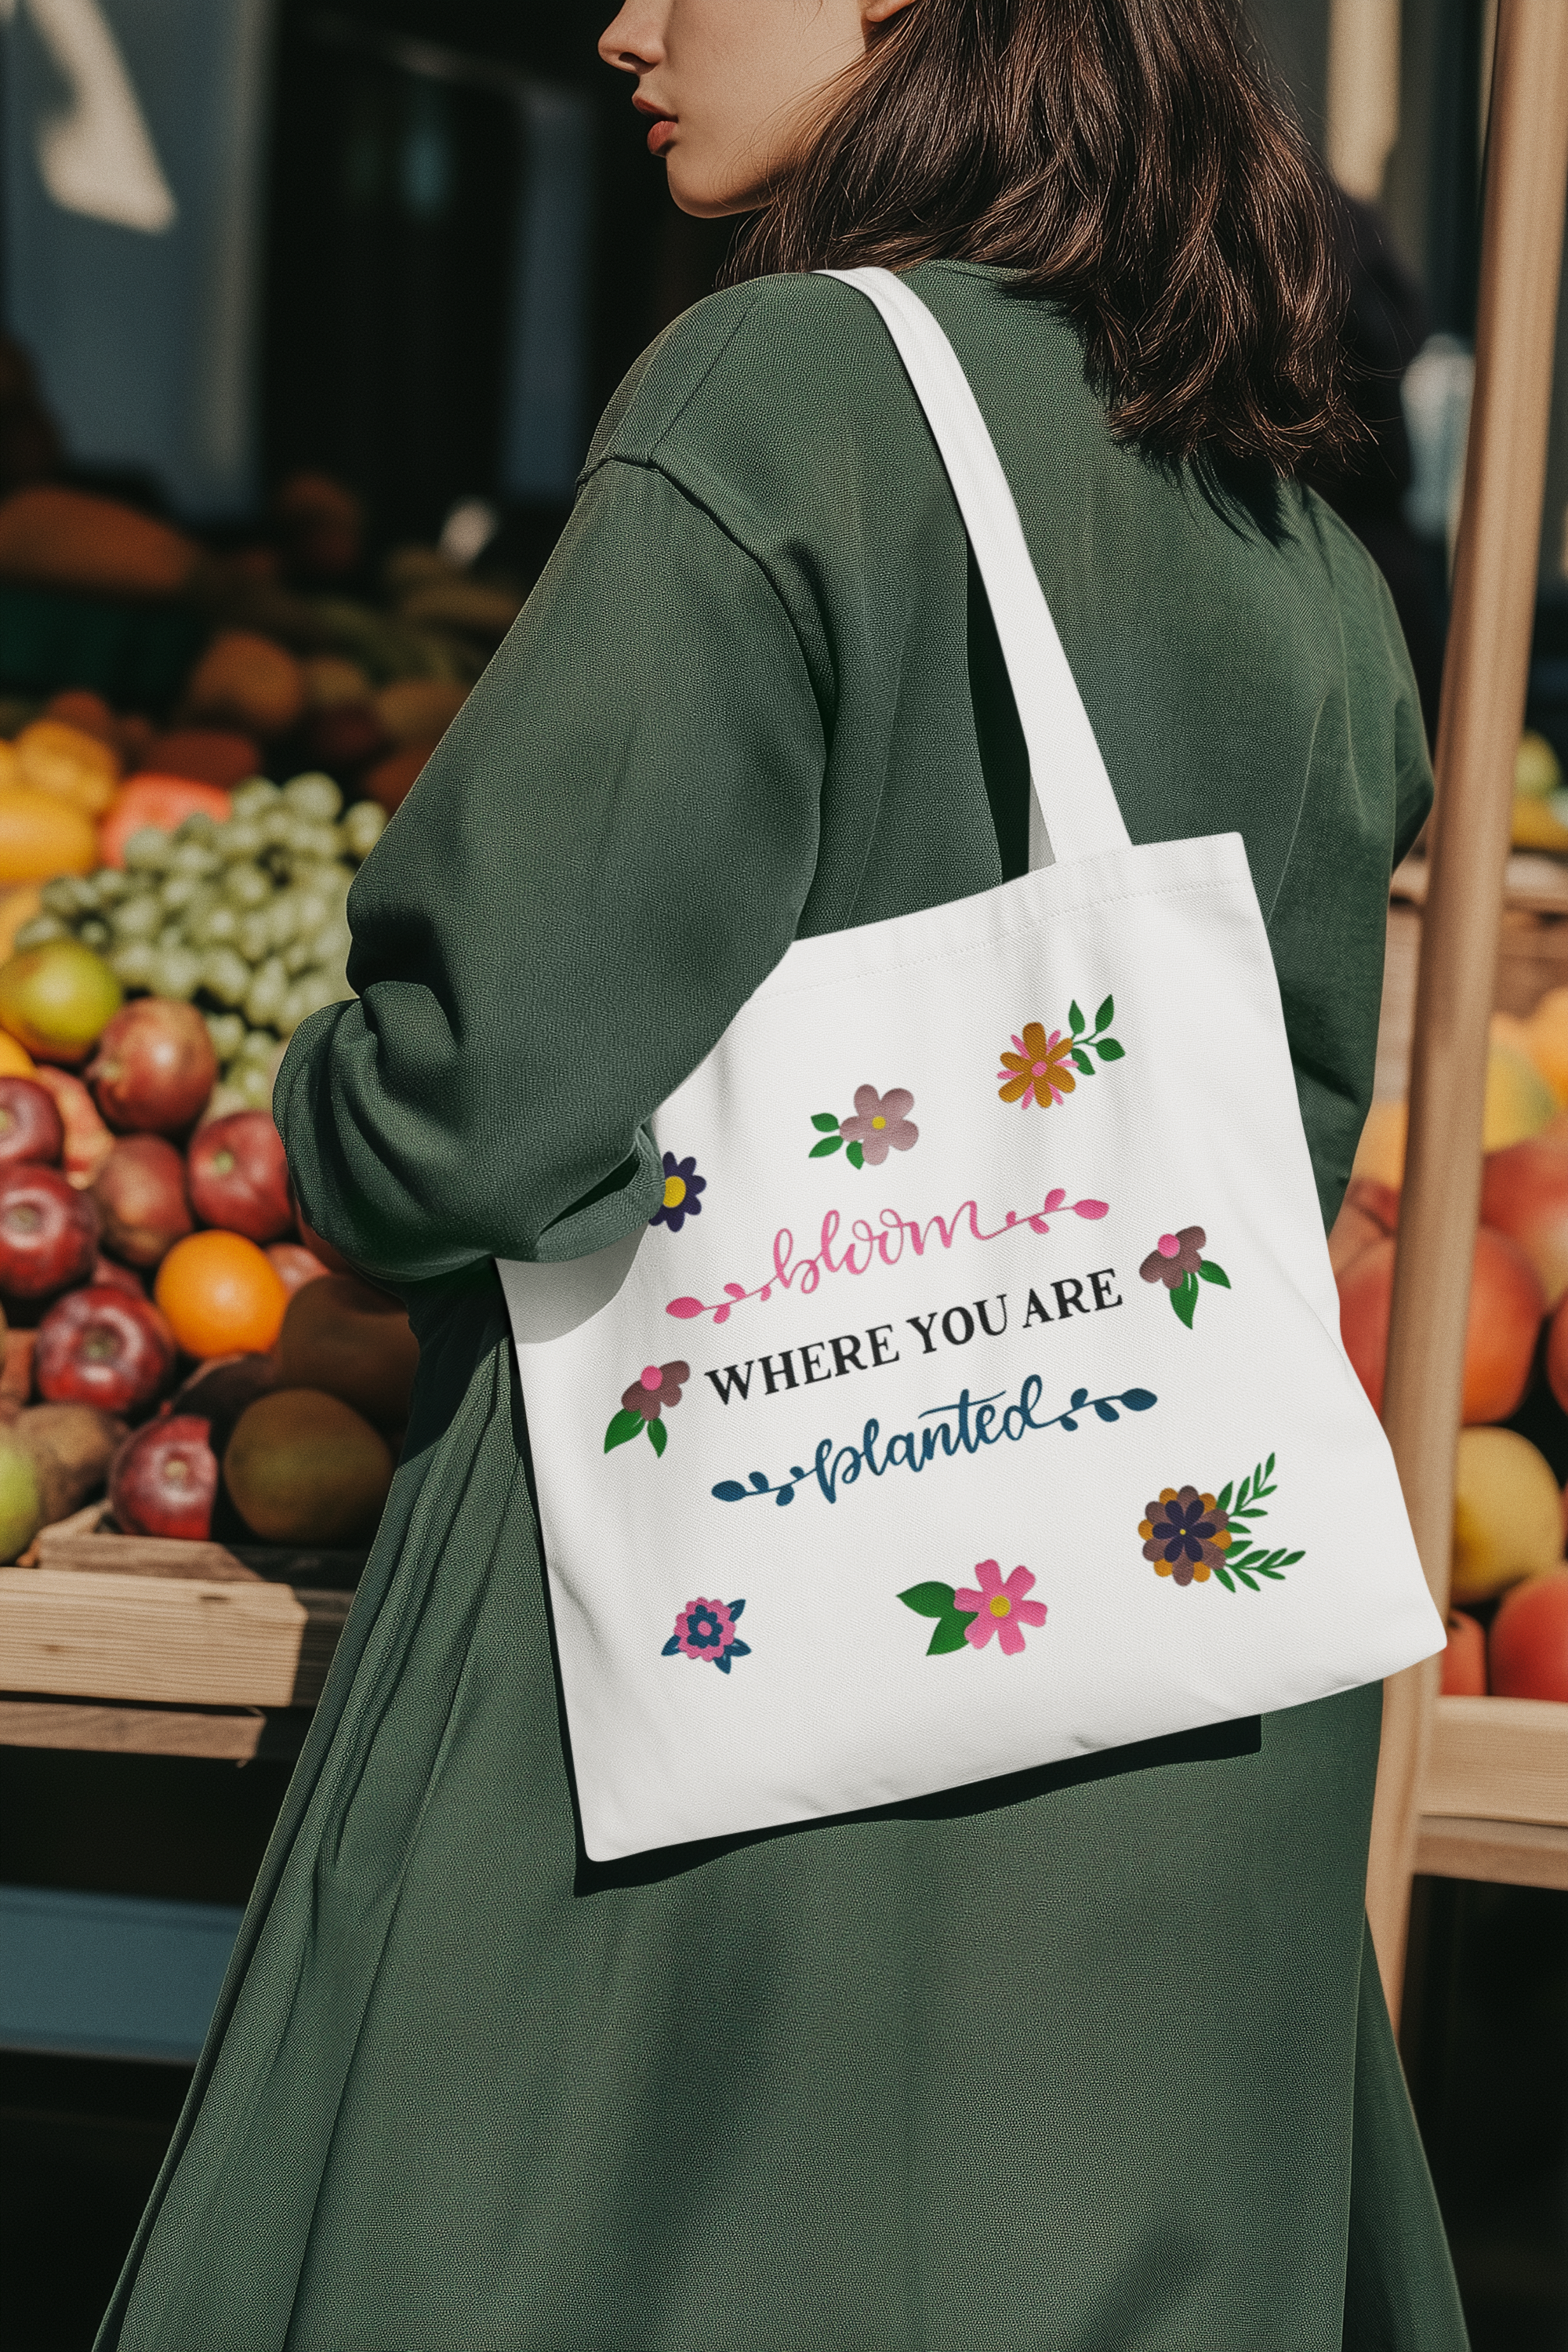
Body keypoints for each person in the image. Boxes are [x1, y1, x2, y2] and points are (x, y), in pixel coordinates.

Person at [97, 4, 1468, 2346]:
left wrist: (319, 1112)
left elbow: (473, 1092)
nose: (621, 19)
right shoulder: (1277, 516)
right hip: (1175, 1816)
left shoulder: (789, 400)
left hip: (736, 1853)